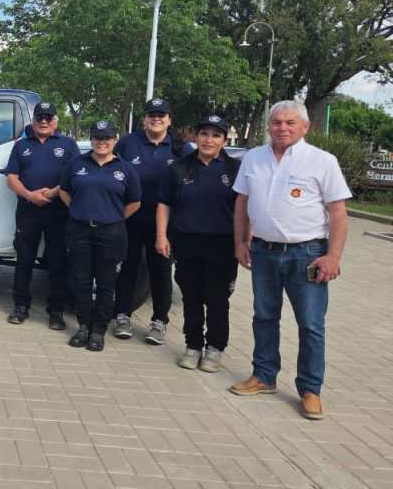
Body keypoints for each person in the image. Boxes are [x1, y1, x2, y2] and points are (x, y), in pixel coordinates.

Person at [230, 100, 351, 421]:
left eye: (290, 123)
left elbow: (338, 212)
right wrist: (240, 241)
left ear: (305, 127)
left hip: (308, 254)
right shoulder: (254, 158)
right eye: (277, 122)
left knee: (311, 324)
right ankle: (264, 375)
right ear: (268, 126)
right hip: (263, 252)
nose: (282, 128)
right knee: (264, 316)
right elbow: (242, 203)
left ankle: (311, 389)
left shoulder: (322, 161)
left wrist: (333, 256)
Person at [155, 114, 241, 372]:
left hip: (223, 245)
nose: (208, 139)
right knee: (191, 297)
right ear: (196, 136)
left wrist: (245, 241)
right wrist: (161, 235)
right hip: (187, 242)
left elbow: (245, 209)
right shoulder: (179, 167)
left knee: (217, 299)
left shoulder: (235, 170)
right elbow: (164, 203)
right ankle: (192, 346)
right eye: (204, 134)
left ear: (224, 140)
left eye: (216, 135)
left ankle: (214, 348)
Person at [113, 97, 189, 345]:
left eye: (161, 115)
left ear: (169, 119)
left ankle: (159, 321)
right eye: (151, 114)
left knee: (161, 272)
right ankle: (122, 315)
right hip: (131, 218)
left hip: (166, 224)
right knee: (128, 269)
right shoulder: (127, 143)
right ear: (144, 118)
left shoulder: (181, 148)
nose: (156, 118)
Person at [59, 120, 141, 352]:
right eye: (97, 138)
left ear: (114, 141)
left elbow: (135, 202)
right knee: (81, 281)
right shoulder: (77, 163)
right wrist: (77, 209)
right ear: (91, 140)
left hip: (111, 232)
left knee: (106, 285)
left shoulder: (125, 169)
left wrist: (114, 216)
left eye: (106, 138)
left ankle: (98, 330)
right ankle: (83, 326)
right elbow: (64, 190)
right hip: (80, 230)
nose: (101, 142)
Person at [3, 100, 79, 330]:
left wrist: (52, 193)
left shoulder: (68, 145)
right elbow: (11, 177)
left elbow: (75, 175)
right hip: (28, 210)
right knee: (24, 260)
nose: (43, 121)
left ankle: (55, 311)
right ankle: (20, 306)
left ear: (55, 121)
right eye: (39, 118)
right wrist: (29, 195)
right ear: (33, 121)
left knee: (57, 262)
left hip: (58, 211)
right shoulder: (21, 146)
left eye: (48, 118)